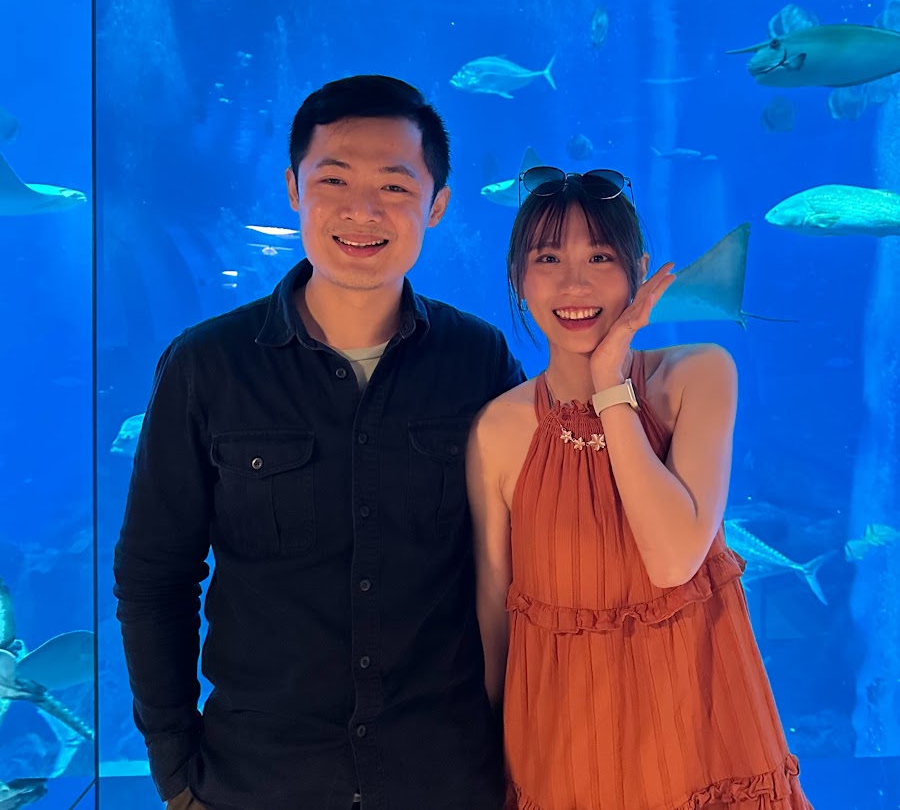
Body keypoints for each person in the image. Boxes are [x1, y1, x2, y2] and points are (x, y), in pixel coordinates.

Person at [113, 74, 524, 810]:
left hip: (446, 777)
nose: (362, 211)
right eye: (333, 179)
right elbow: (154, 576)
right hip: (257, 780)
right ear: (293, 189)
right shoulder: (207, 364)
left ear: (437, 204)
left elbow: (534, 553)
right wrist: (174, 770)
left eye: (395, 186)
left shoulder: (479, 359)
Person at [467, 167, 813, 810]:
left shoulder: (699, 376)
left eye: (600, 257)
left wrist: (610, 385)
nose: (574, 283)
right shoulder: (497, 430)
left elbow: (672, 558)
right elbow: (494, 621)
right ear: (518, 276)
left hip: (705, 746)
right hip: (564, 755)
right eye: (548, 258)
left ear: (640, 272)